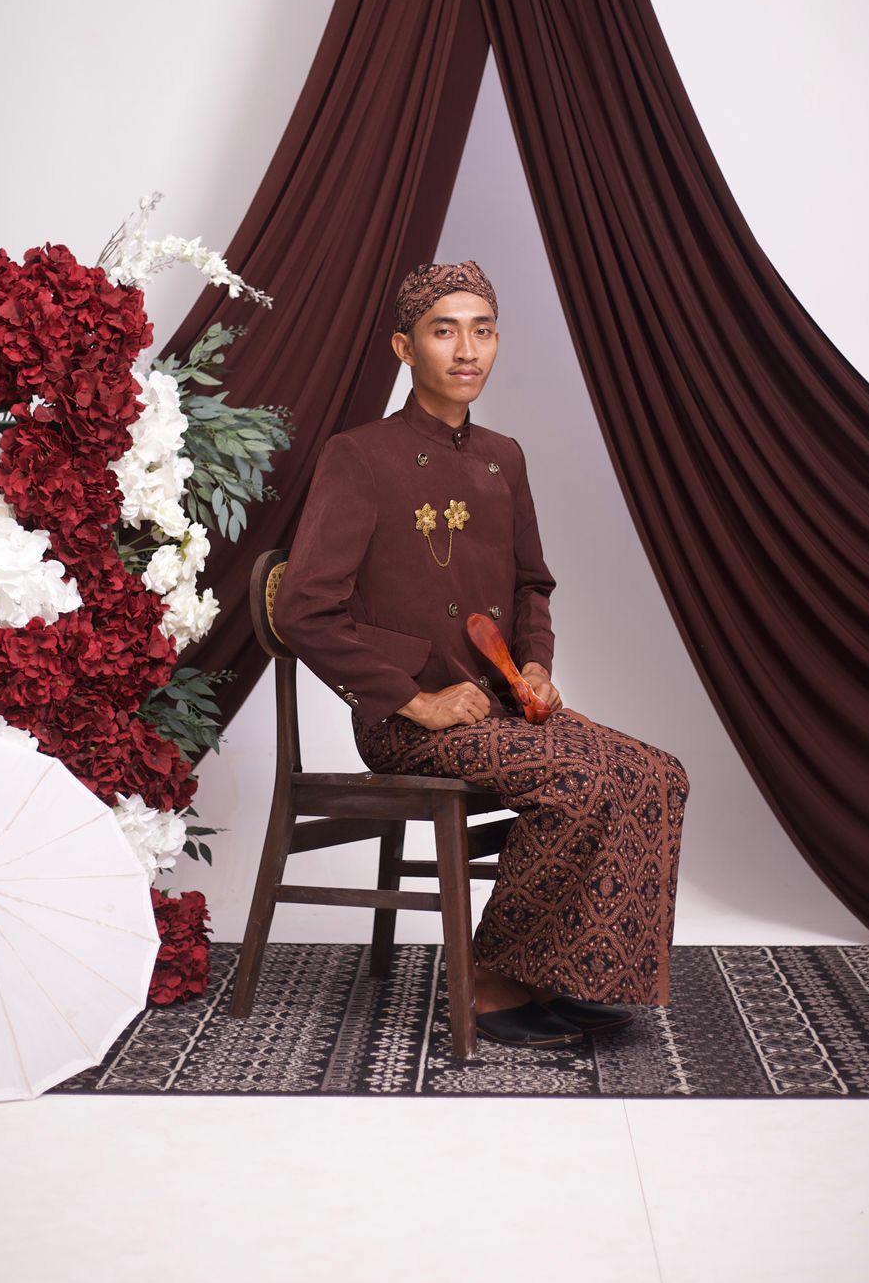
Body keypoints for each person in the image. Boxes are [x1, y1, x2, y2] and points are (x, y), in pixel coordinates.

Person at [272, 260, 690, 1048]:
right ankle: (493, 982)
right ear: (405, 347)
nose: (467, 350)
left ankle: (564, 974)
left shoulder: (505, 456)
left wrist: (535, 668)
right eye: (444, 331)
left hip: (501, 709)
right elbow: (302, 609)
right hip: (407, 723)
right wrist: (416, 701)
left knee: (656, 773)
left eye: (483, 330)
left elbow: (532, 585)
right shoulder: (359, 456)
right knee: (577, 781)